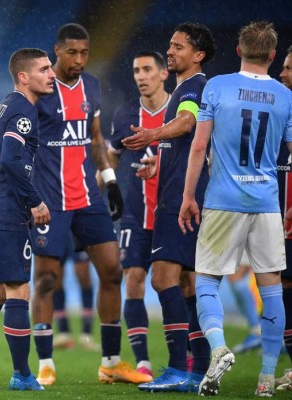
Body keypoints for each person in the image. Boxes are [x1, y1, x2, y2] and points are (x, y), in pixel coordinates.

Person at [24, 23, 150, 387]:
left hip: (86, 197)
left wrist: (110, 181)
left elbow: (94, 139)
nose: (79, 60)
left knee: (112, 271)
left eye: (85, 53)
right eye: (72, 53)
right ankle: (45, 363)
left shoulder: (92, 86)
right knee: (47, 278)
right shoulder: (40, 89)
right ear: (57, 52)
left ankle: (110, 362)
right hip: (50, 201)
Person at [179, 21, 291, 397]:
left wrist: (188, 196)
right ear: (273, 57)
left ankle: (219, 347)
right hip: (266, 204)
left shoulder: (218, 86)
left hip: (223, 200)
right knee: (271, 287)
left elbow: (198, 146)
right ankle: (266, 378)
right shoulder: (284, 95)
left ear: (239, 51)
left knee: (207, 279)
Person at [123, 23, 215, 392]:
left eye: (178, 47)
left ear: (198, 55)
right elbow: (191, 138)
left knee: (163, 278)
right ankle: (199, 370)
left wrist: (152, 134)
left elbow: (188, 122)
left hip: (179, 197)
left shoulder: (193, 87)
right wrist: (157, 161)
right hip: (184, 188)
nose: (171, 51)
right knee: (189, 283)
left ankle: (178, 369)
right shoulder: (186, 88)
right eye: (171, 45)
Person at [0, 47, 55, 392]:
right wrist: (33, 200)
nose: (51, 74)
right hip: (4, 213)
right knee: (19, 291)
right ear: (24, 77)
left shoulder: (2, 106)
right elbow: (9, 159)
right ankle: (22, 375)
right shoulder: (23, 109)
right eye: (44, 69)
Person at [110, 50, 170, 378]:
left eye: (147, 69)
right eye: (136, 70)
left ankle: (189, 357)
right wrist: (108, 184)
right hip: (135, 213)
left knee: (180, 283)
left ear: (163, 73)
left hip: (173, 213)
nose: (140, 76)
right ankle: (143, 362)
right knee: (133, 279)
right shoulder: (126, 113)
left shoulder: (179, 111)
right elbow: (111, 152)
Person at [276, 44, 292, 392]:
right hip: (282, 224)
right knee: (286, 288)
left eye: (289, 68)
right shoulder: (282, 111)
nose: (282, 72)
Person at [52, 249, 99, 352]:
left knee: (83, 275)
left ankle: (86, 334)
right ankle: (63, 332)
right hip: (59, 234)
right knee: (56, 279)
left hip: (77, 235)